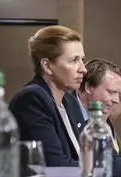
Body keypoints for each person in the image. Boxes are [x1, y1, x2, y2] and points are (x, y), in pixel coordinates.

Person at [9, 25, 87, 167]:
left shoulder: (70, 102)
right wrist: (103, 170)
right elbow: (54, 165)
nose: (83, 69)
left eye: (82, 59)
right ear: (47, 66)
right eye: (74, 60)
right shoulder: (31, 99)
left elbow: (87, 156)